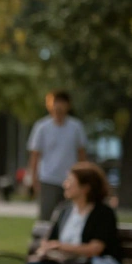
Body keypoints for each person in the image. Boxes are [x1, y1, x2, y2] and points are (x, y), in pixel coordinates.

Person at [27, 90, 88, 221]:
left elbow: (81, 154)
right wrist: (33, 179)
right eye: (55, 102)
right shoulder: (42, 127)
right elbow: (35, 155)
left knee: (69, 217)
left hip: (71, 180)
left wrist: (82, 177)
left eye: (62, 103)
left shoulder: (76, 127)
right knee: (46, 217)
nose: (58, 106)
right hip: (48, 178)